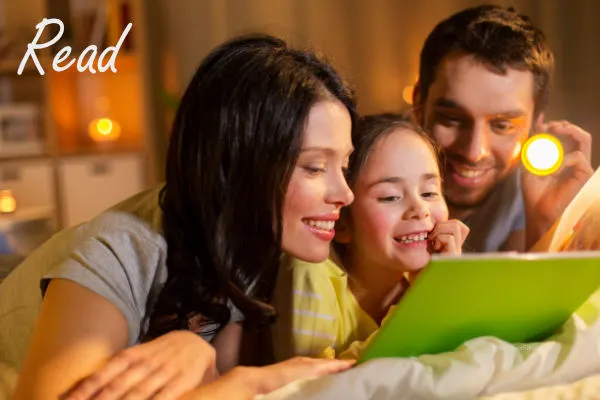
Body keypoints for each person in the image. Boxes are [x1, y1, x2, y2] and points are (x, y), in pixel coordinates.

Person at [0, 33, 358, 399]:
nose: (345, 194)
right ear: (235, 164)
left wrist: (211, 368)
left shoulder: (249, 240)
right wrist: (248, 381)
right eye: (314, 167)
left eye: (344, 166)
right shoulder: (121, 249)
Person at [272, 113, 469, 361]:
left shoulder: (431, 282)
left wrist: (443, 288)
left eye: (429, 192)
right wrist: (422, 307)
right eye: (390, 197)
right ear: (342, 221)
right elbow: (311, 386)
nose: (420, 209)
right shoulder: (309, 272)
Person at [412, 4, 594, 253]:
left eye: (502, 125)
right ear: (418, 103)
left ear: (536, 122)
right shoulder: (363, 176)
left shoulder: (534, 194)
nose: (474, 152)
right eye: (452, 119)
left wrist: (546, 224)